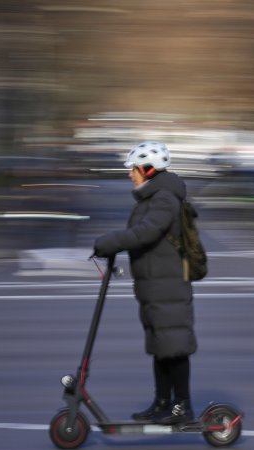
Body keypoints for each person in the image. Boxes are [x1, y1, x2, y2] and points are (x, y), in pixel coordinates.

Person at [93, 141, 196, 424]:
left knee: (174, 347)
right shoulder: (153, 198)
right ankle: (162, 402)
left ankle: (182, 407)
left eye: (134, 169)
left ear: (148, 169)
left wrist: (110, 242)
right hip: (154, 286)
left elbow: (146, 233)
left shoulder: (164, 199)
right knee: (161, 346)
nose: (130, 174)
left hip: (168, 286)